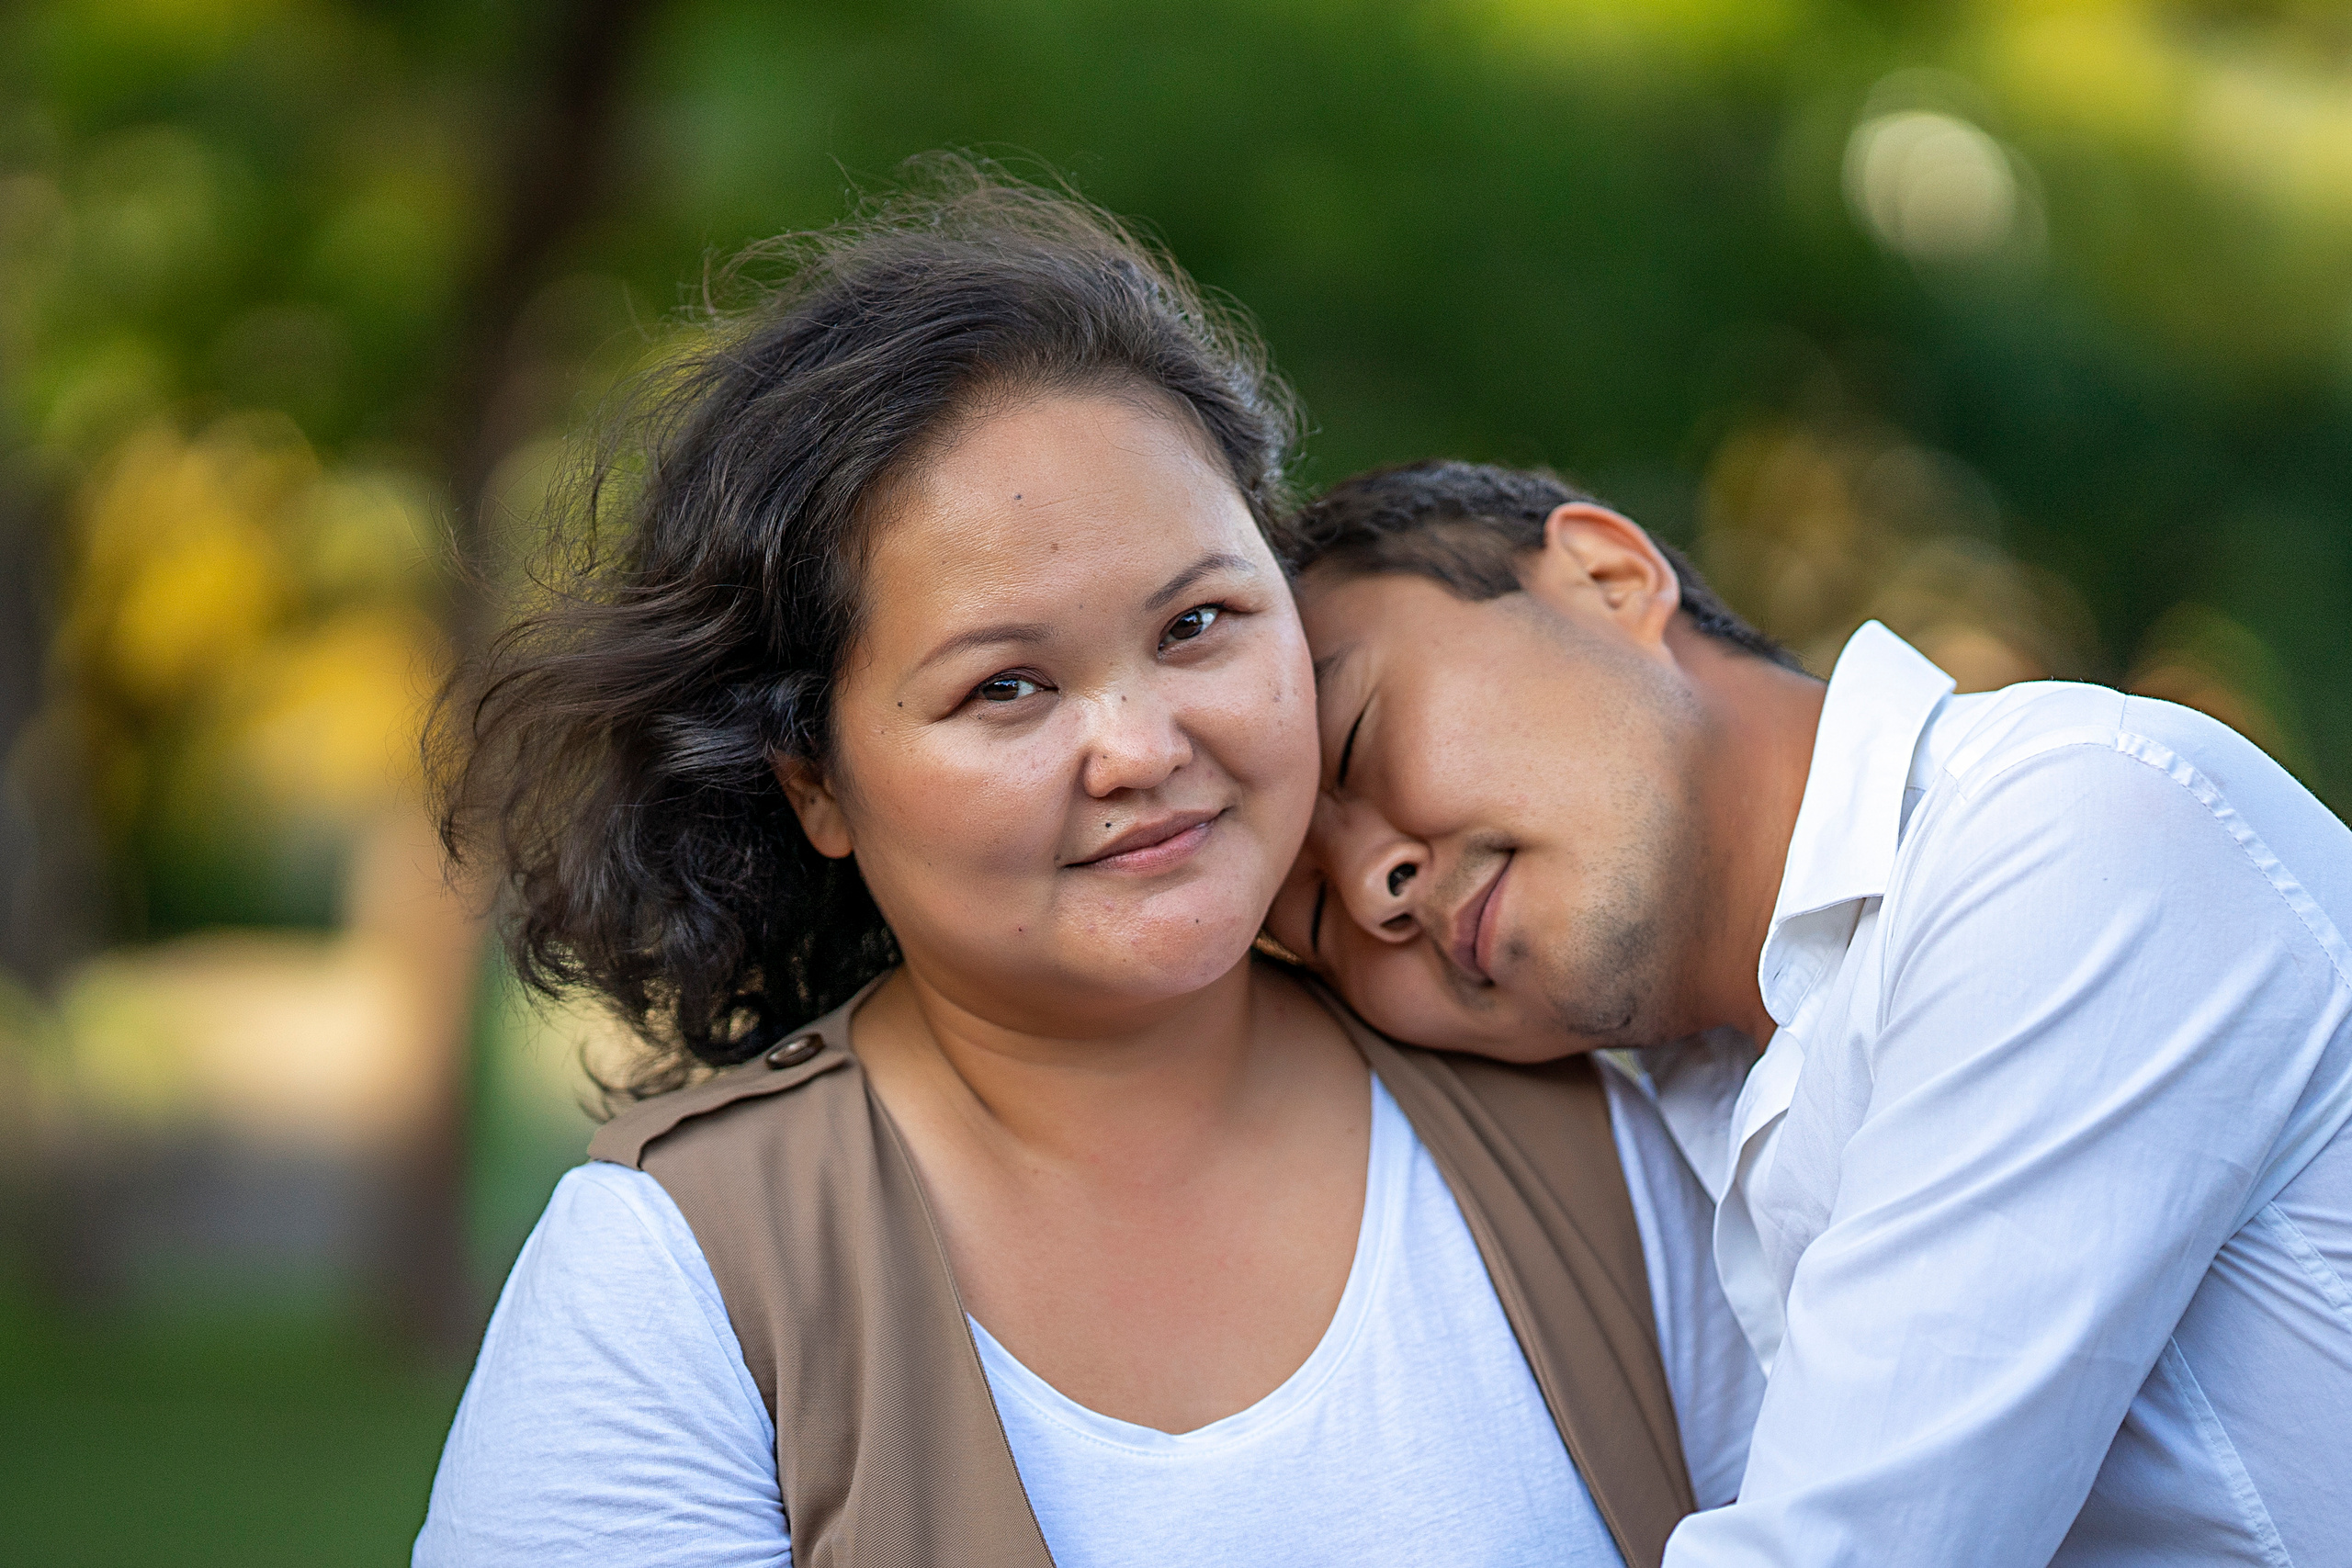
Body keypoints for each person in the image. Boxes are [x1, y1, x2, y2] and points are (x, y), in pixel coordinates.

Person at [414, 175, 1755, 1568]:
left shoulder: (1597, 1140)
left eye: (1197, 621)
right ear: (813, 778)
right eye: (1006, 684)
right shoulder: (683, 1272)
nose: (1138, 744)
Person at [1265, 458, 2352, 1566]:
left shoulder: (2068, 827)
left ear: (1607, 575)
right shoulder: (1650, 1137)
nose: (1369, 890)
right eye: (1310, 916)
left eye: (1355, 739)